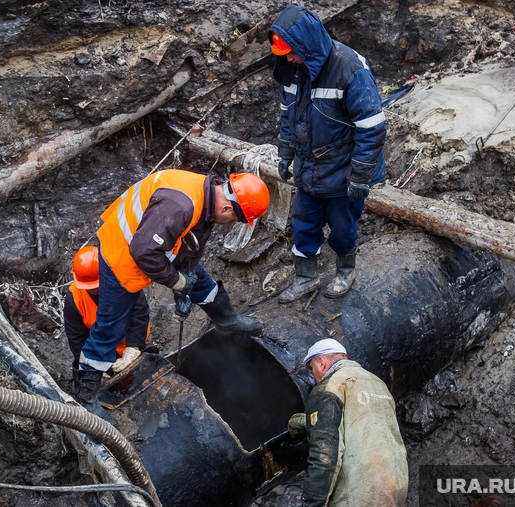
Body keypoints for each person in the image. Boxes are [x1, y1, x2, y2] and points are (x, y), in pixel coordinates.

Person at [76, 169, 270, 405]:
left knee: (200, 283)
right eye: (233, 221)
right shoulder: (180, 206)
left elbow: (192, 243)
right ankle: (87, 390)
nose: (230, 225)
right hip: (123, 253)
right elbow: (143, 253)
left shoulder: (206, 196)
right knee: (111, 323)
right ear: (227, 208)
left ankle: (227, 321)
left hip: (155, 238)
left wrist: (187, 277)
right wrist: (177, 282)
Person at [268, 4, 386, 301]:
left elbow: (371, 128)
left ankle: (345, 271)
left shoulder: (350, 69)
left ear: (306, 44)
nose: (290, 59)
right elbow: (288, 115)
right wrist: (285, 153)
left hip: (343, 170)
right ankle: (305, 277)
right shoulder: (294, 72)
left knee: (343, 229)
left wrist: (359, 177)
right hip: (310, 168)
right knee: (304, 224)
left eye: (292, 52)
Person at [287, 339, 408, 507]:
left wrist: (311, 504)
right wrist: (308, 421)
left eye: (313, 370)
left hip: (360, 494)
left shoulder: (329, 387)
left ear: (321, 362)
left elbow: (325, 456)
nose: (315, 378)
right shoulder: (377, 383)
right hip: (396, 487)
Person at [64, 246, 150, 399]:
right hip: (101, 347)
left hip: (127, 342)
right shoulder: (74, 299)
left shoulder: (124, 278)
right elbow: (76, 338)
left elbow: (139, 313)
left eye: (97, 285)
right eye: (91, 287)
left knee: (138, 381)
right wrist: (94, 367)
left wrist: (134, 347)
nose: (95, 290)